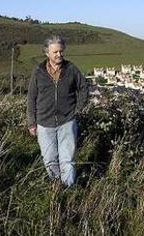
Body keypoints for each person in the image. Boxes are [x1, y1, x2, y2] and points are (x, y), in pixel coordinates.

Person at [27, 36, 88, 186]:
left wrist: (78, 109)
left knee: (67, 159)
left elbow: (83, 88)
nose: (59, 55)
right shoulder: (38, 71)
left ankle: (68, 188)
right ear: (47, 53)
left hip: (67, 121)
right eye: (55, 52)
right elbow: (31, 97)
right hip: (44, 123)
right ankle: (56, 186)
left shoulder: (71, 69)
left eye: (61, 51)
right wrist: (31, 123)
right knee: (49, 159)